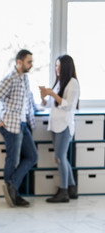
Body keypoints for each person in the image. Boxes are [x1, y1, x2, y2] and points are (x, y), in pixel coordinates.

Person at [0, 49, 38, 208]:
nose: (31, 64)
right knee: (13, 159)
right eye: (29, 61)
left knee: (32, 156)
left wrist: (37, 109)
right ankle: (13, 195)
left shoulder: (24, 78)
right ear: (19, 62)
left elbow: (28, 98)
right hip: (10, 124)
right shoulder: (10, 79)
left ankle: (12, 186)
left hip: (23, 124)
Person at [39, 54, 80, 203]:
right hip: (55, 126)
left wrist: (52, 94)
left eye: (59, 66)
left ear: (66, 68)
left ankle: (63, 192)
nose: (57, 69)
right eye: (56, 66)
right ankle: (72, 188)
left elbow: (69, 105)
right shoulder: (59, 83)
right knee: (62, 158)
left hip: (64, 126)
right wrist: (44, 97)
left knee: (59, 158)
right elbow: (49, 105)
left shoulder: (73, 83)